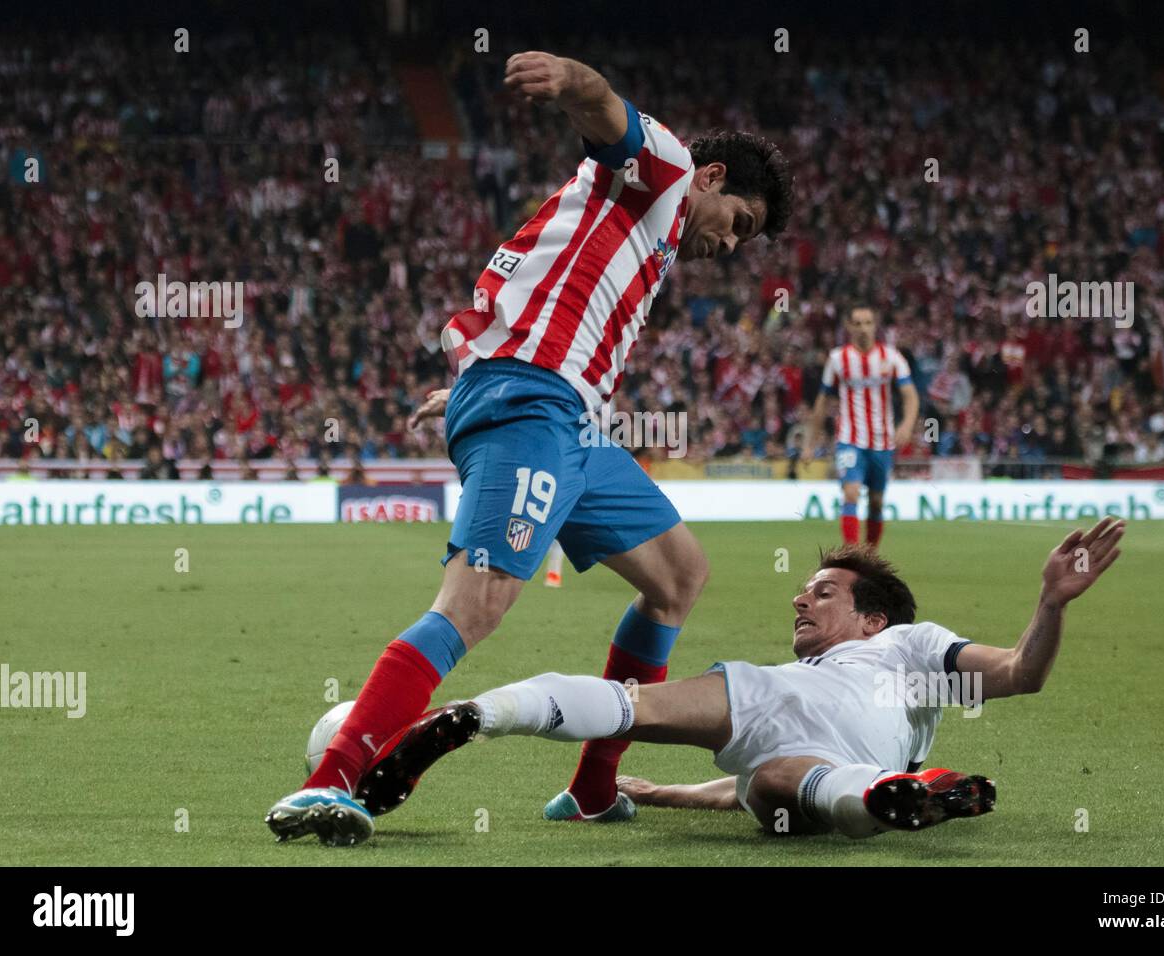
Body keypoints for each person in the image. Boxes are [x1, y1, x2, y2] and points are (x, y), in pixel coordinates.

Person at [266, 50, 794, 845]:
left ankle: (592, 788)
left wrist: (482, 377)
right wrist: (571, 79)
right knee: (475, 603)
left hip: (563, 414)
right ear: (714, 178)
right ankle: (328, 781)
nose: (731, 244)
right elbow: (604, 107)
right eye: (740, 223)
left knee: (678, 576)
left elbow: (541, 297)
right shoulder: (668, 173)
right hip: (534, 402)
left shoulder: (639, 240)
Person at [347, 519, 1123, 841]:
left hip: (787, 705)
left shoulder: (912, 649)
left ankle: (479, 714)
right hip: (850, 754)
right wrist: (656, 793)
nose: (802, 595)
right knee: (776, 785)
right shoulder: (851, 673)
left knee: (628, 706)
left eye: (825, 590)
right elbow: (727, 789)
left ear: (873, 619)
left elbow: (1021, 673)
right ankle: (895, 797)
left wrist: (1049, 602)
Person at [804, 305, 919, 547]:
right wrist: (809, 443)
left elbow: (910, 395)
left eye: (867, 323)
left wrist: (907, 425)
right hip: (849, 439)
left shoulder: (891, 357)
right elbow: (822, 401)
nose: (863, 328)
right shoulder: (838, 359)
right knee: (851, 493)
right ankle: (852, 556)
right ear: (848, 327)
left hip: (882, 441)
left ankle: (871, 556)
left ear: (875, 325)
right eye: (857, 323)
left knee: (876, 501)